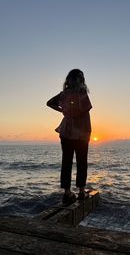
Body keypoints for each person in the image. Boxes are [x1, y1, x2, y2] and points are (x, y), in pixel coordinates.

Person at [47, 69, 92, 204]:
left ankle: (67, 193)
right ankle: (82, 192)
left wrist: (63, 111)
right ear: (81, 80)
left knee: (66, 162)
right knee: (81, 162)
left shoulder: (63, 94)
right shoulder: (82, 93)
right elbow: (84, 111)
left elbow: (49, 103)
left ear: (68, 80)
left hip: (66, 132)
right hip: (81, 133)